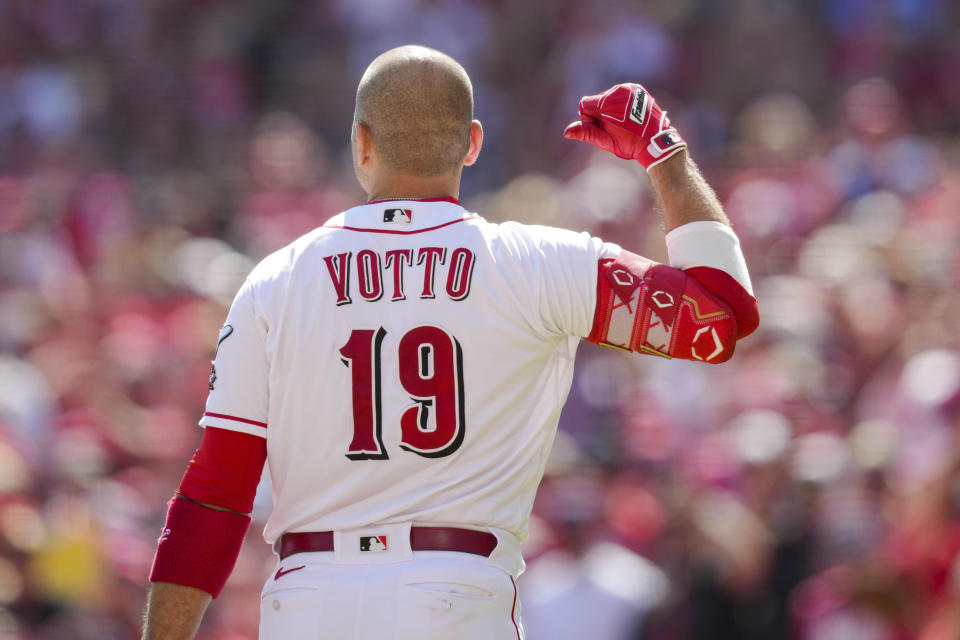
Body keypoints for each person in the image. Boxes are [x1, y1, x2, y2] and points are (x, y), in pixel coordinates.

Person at [141, 44, 758, 640]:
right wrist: (663, 153)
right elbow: (720, 318)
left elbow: (213, 498)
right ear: (472, 144)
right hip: (455, 592)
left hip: (307, 600)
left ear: (360, 142)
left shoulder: (274, 281)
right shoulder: (538, 262)